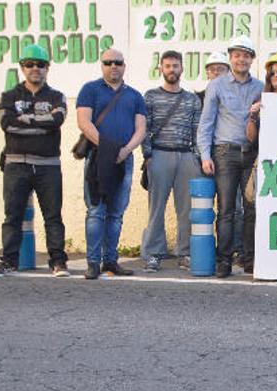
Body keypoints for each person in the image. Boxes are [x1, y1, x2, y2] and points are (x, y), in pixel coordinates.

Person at [0, 44, 69, 278]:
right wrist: (40, 124)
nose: (35, 68)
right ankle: (8, 262)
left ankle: (58, 262)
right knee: (12, 215)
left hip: (48, 165)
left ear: (48, 68)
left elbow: (56, 120)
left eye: (40, 64)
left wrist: (25, 120)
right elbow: (7, 124)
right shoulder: (9, 96)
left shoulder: (57, 96)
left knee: (53, 216)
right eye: (29, 64)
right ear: (22, 68)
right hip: (16, 164)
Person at [76, 48, 147, 280]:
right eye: (108, 63)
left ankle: (111, 261)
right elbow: (84, 122)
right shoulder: (89, 89)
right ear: (102, 66)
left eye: (117, 62)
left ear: (124, 66)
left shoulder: (135, 96)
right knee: (96, 211)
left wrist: (125, 151)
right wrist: (108, 149)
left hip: (123, 160)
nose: (113, 66)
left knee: (116, 213)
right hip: (97, 158)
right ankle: (93, 263)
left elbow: (141, 129)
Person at [196, 35, 264, 278]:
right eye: (237, 54)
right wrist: (205, 155)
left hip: (251, 153)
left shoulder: (260, 87)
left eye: (246, 55)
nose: (241, 59)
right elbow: (206, 123)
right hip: (224, 152)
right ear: (230, 57)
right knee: (225, 209)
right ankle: (223, 260)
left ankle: (249, 259)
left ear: (252, 59)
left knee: (251, 208)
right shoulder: (216, 85)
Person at [140, 50, 203, 272]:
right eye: (167, 66)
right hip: (159, 154)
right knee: (156, 207)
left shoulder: (192, 99)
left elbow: (197, 131)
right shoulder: (150, 96)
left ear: (182, 68)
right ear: (161, 69)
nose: (172, 70)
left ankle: (184, 252)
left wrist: (197, 158)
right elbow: (144, 128)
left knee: (186, 209)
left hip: (186, 156)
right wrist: (147, 155)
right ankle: (153, 253)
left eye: (175, 66)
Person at [242, 53, 277, 274]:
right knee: (253, 211)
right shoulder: (261, 99)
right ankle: (251, 259)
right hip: (265, 161)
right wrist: (253, 116)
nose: (276, 76)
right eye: (272, 72)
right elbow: (250, 137)